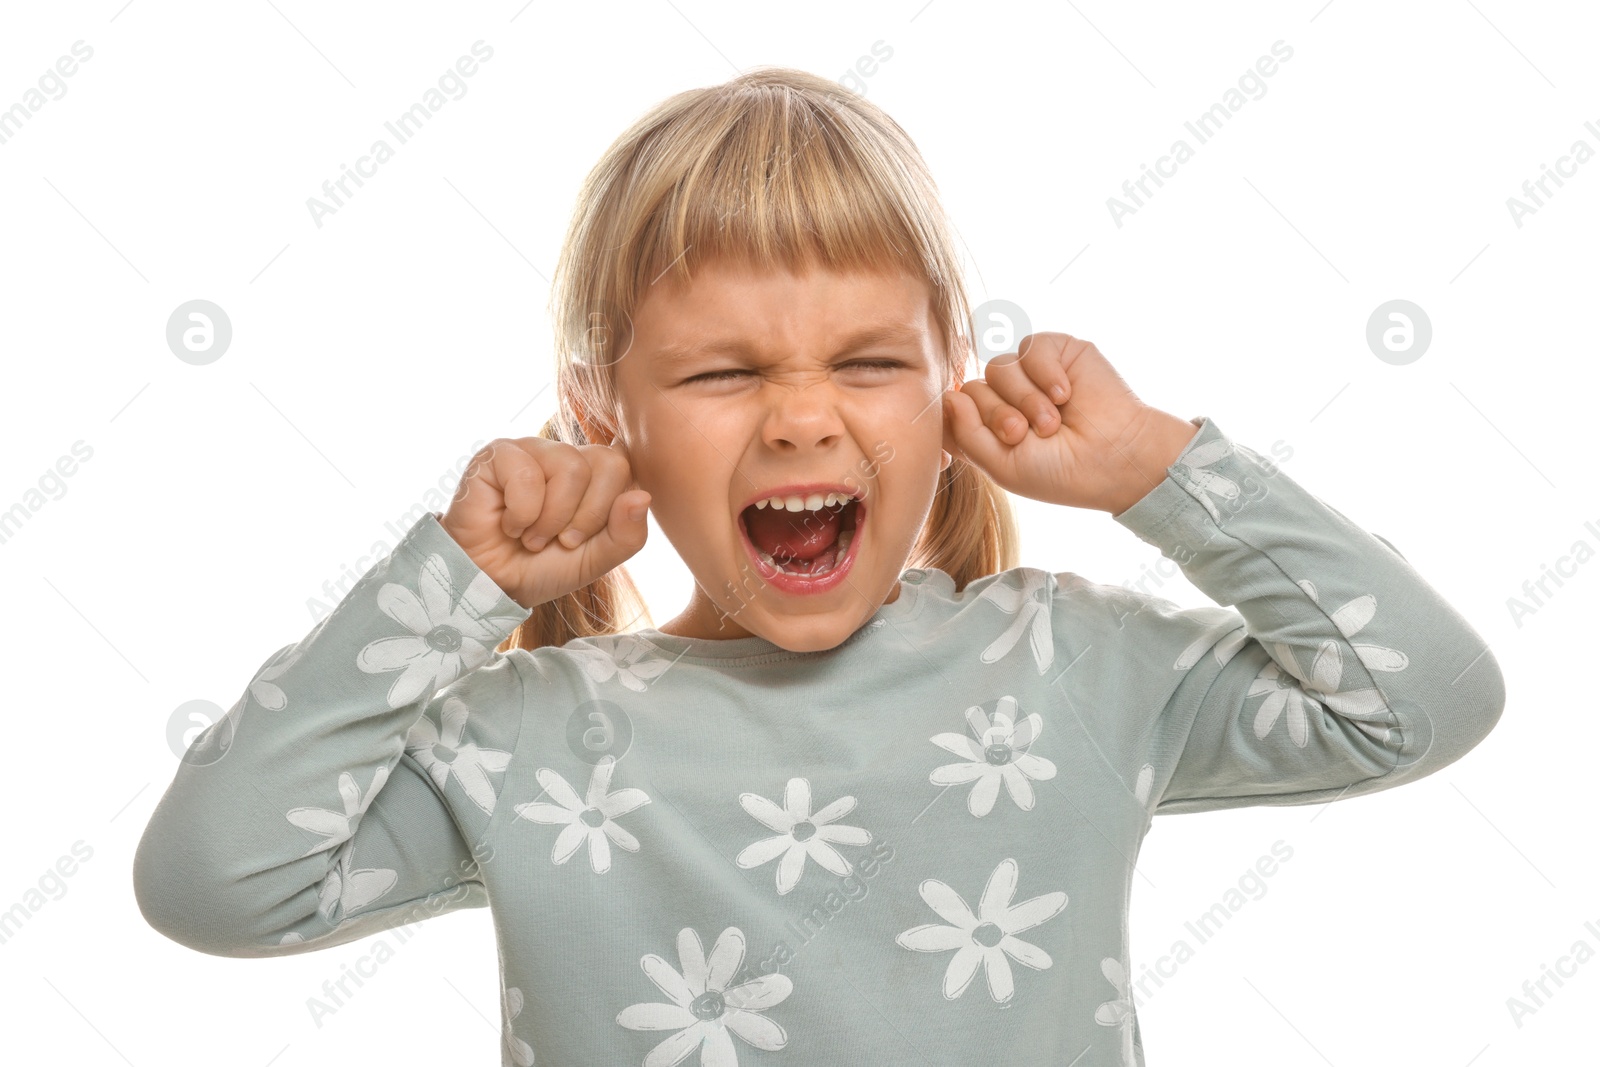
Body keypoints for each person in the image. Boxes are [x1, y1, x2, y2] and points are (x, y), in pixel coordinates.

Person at [133, 67, 1505, 1066]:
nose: (800, 416)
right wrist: (448, 589)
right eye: (724, 372)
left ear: (945, 380)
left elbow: (1423, 698)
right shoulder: (533, 736)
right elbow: (213, 882)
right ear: (604, 410)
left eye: (865, 363)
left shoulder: (1068, 671)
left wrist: (1161, 472)